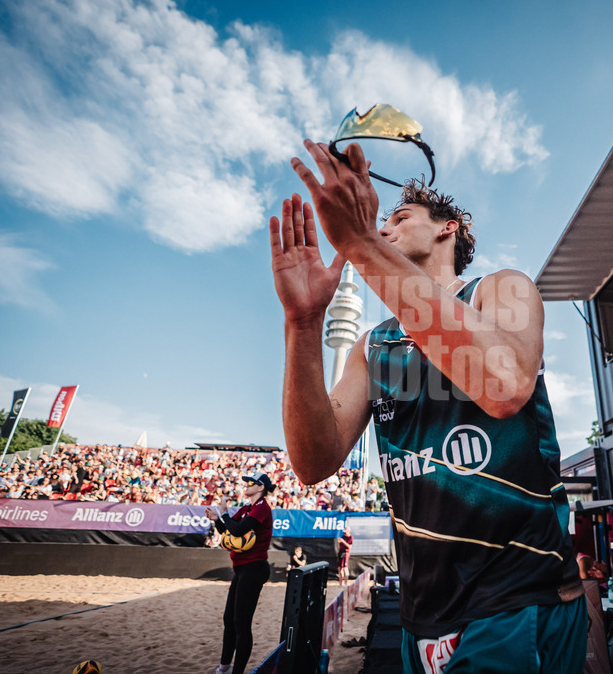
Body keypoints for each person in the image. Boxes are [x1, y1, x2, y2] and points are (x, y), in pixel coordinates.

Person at [271, 140, 586, 673]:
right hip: (423, 610)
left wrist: (362, 242)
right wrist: (301, 322)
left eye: (400, 217)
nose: (385, 227)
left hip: (517, 595)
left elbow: (504, 385)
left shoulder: (501, 289)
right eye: (382, 223)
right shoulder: (374, 344)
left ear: (448, 229)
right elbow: (312, 461)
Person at [205, 473, 275, 674]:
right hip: (242, 569)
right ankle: (224, 667)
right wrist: (217, 520)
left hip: (254, 569)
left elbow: (237, 530)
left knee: (241, 623)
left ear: (260, 487)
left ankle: (237, 671)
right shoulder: (247, 509)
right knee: (229, 620)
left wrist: (224, 513)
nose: (246, 485)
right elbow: (229, 531)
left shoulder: (262, 508)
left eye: (250, 482)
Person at [338, 521, 353, 587]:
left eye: (345, 532)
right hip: (341, 553)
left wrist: (343, 541)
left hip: (345, 553)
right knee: (340, 568)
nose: (344, 533)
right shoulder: (342, 537)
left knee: (345, 568)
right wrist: (339, 542)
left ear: (348, 531)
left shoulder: (350, 538)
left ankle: (346, 583)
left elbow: (349, 546)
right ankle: (340, 583)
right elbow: (340, 546)